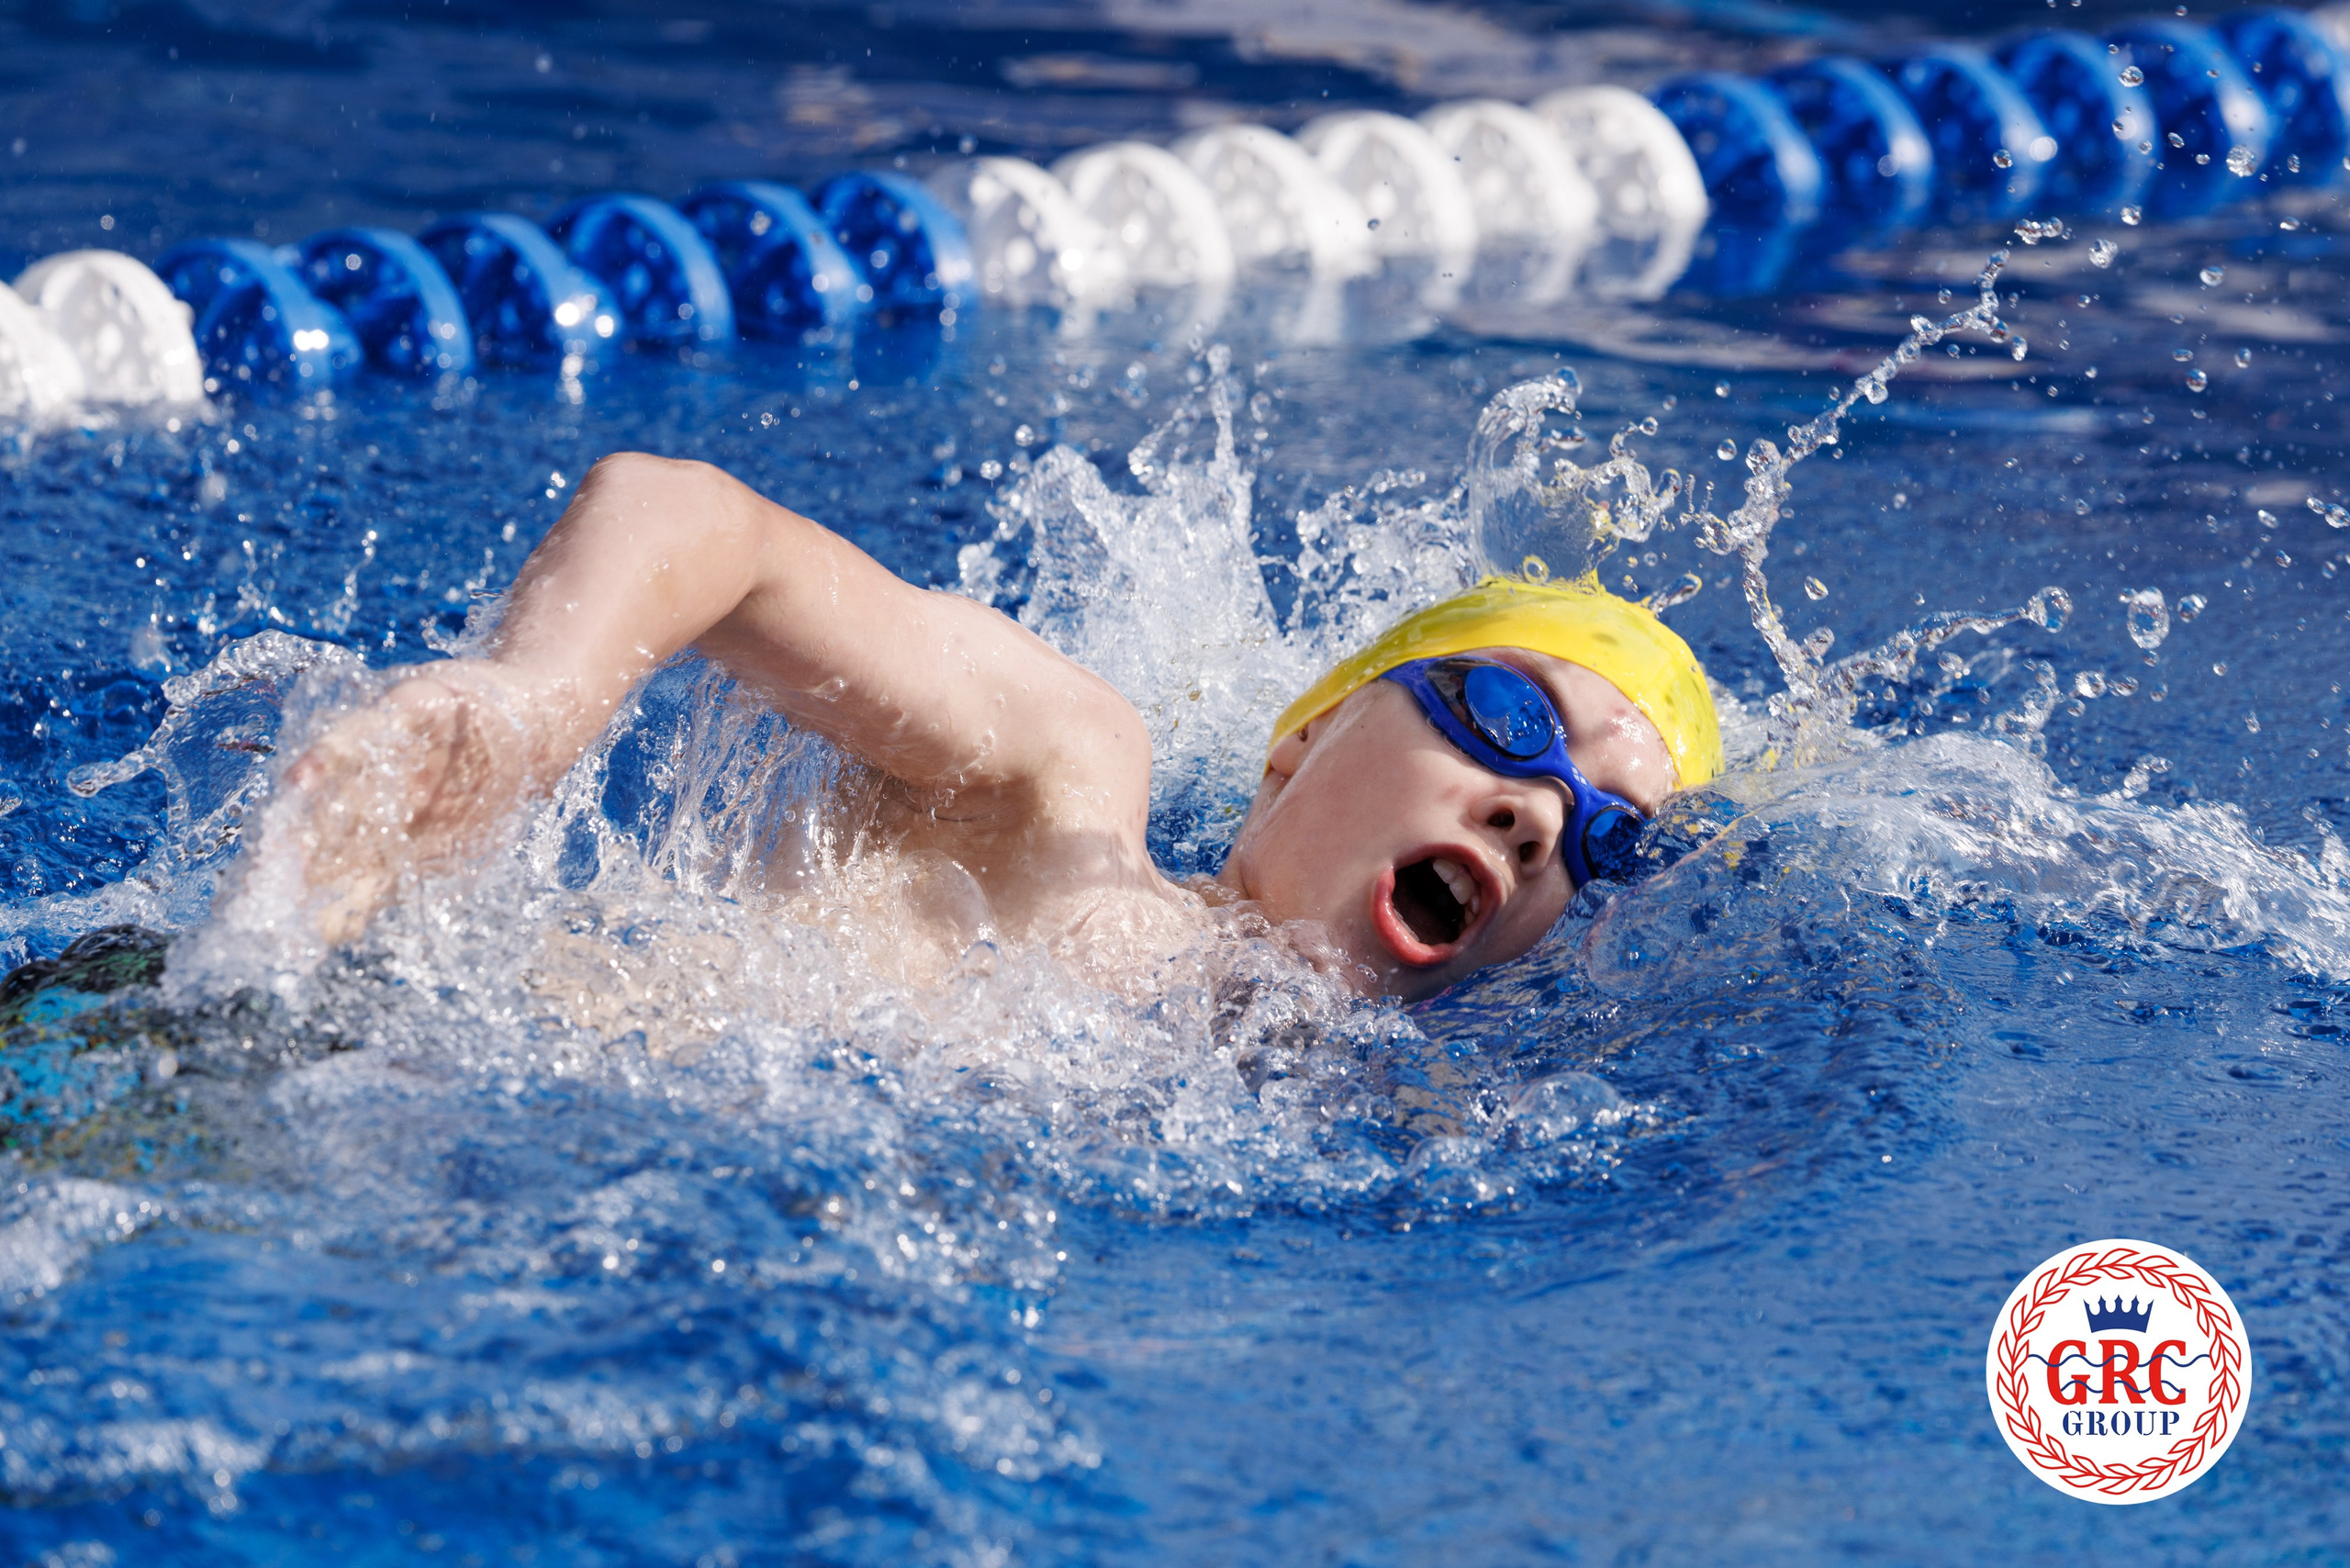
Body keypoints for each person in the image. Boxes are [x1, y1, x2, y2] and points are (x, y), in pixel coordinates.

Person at [270, 452, 1721, 1001]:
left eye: (1610, 839)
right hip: (298, 1019)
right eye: (1512, 717)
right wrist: (533, 708)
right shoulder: (1065, 789)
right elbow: (694, 518)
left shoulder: (1393, 1148)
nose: (1541, 814)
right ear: (1310, 732)